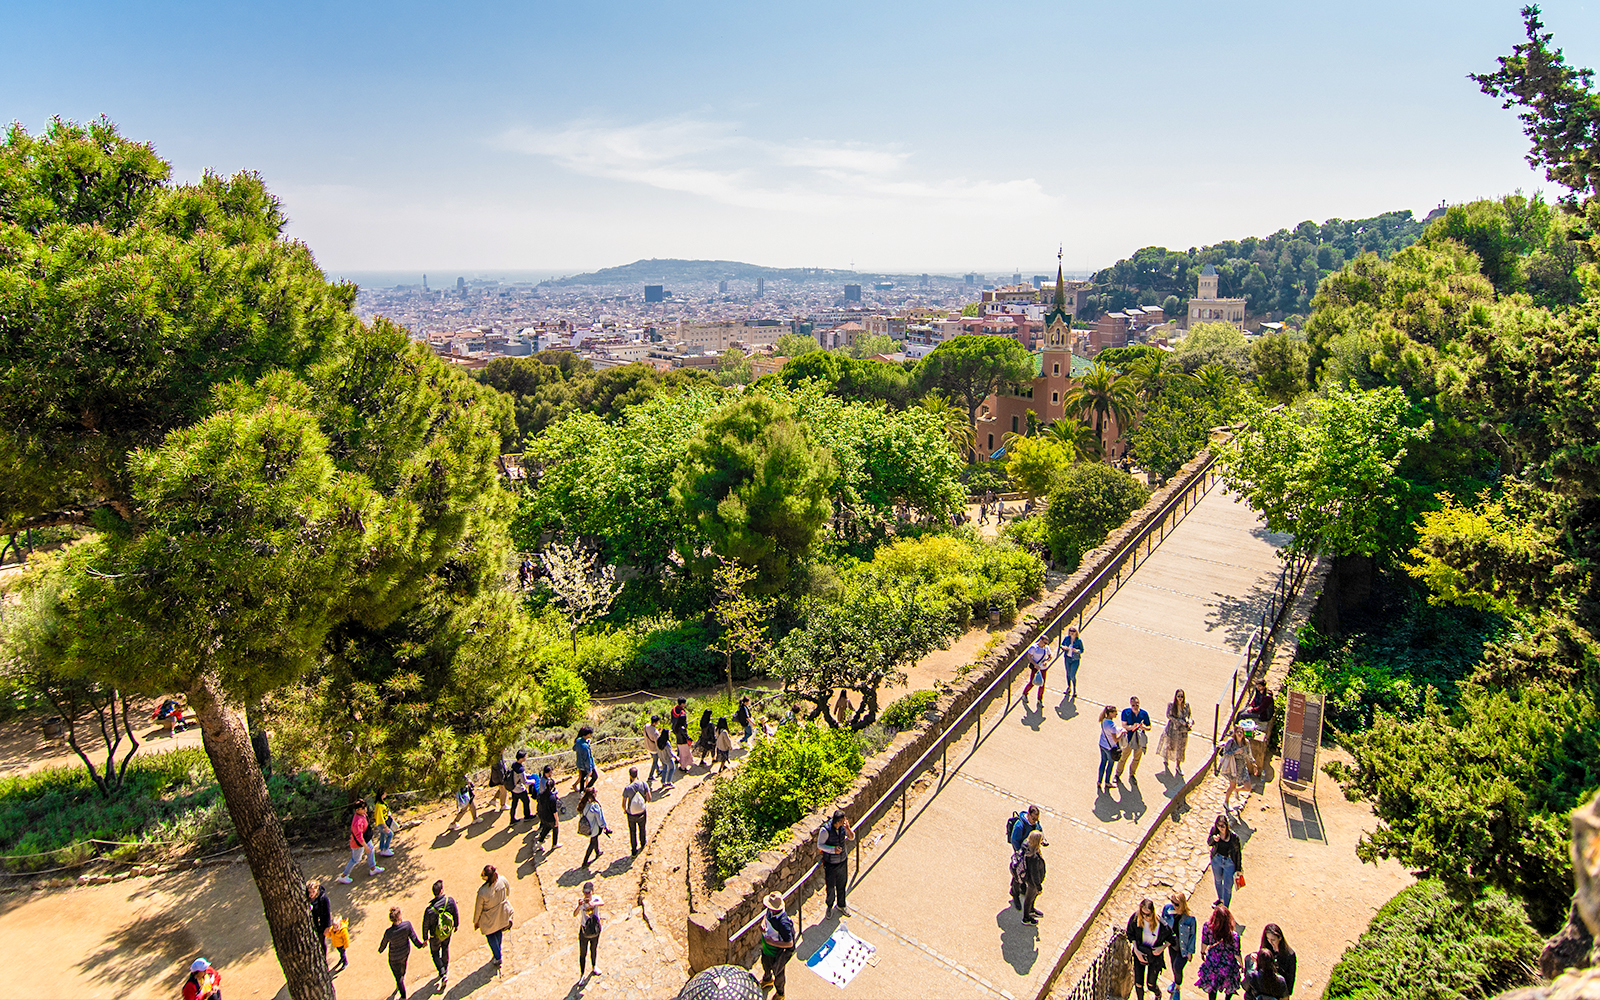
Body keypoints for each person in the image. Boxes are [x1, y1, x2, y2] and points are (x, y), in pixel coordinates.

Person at [1126, 898, 1175, 999]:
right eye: (1142, 913)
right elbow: (1130, 934)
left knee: (1151, 984)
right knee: (1138, 984)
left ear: (1153, 913)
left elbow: (1172, 938)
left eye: (1147, 914)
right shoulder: (1136, 919)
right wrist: (1136, 949)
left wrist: (1162, 948)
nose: (1145, 917)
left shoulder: (1161, 925)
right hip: (1140, 953)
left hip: (1154, 956)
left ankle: (1157, 994)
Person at [1195, 903, 1242, 1000]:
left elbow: (1205, 942)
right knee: (1230, 986)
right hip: (1228, 966)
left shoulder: (1207, 927)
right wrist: (1241, 964)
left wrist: (1202, 952)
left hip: (1213, 964)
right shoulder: (1233, 936)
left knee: (1212, 987)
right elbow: (1236, 953)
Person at [378, 905, 424, 1000]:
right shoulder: (407, 925)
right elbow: (414, 939)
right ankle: (401, 979)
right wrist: (421, 945)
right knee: (403, 968)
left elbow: (383, 945)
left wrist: (380, 950)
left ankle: (403, 996)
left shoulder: (389, 932)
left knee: (397, 977)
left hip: (394, 957)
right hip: (405, 953)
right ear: (399, 916)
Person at [473, 864, 514, 969]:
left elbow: (478, 908)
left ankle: (497, 956)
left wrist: (476, 921)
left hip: (489, 917)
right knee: (498, 930)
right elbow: (508, 890)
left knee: (491, 935)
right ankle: (498, 950)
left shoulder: (483, 892)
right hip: (501, 912)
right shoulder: (503, 880)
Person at [422, 879, 460, 990]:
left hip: (435, 936)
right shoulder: (450, 901)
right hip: (447, 932)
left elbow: (425, 925)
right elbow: (455, 913)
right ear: (442, 890)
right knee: (445, 948)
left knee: (434, 953)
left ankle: (442, 973)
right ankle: (445, 967)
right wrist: (456, 925)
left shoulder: (429, 910)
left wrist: (425, 938)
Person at [758, 891, 796, 1000]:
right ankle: (767, 979)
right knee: (765, 964)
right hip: (767, 948)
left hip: (777, 952)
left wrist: (772, 943)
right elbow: (766, 915)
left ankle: (780, 994)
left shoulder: (783, 923)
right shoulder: (771, 911)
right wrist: (763, 922)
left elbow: (789, 943)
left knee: (778, 973)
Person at [816, 809, 855, 915]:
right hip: (830, 863)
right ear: (838, 821)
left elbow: (851, 837)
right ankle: (829, 906)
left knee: (842, 884)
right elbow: (820, 845)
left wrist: (848, 829)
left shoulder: (843, 828)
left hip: (842, 861)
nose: (845, 822)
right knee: (830, 887)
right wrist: (833, 850)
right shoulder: (825, 830)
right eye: (843, 821)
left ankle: (841, 905)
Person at [1162, 892, 1199, 1000]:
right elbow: (1162, 924)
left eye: (1177, 904)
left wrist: (1190, 952)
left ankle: (1177, 988)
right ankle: (1175, 981)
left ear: (1182, 904)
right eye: (1172, 902)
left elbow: (1193, 936)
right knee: (1174, 966)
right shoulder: (1167, 910)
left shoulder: (1190, 919)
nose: (1174, 906)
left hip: (1184, 948)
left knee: (1178, 967)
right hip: (1172, 945)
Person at [337, 802, 383, 883]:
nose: (366, 809)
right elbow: (358, 837)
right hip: (358, 844)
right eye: (363, 808)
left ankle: (373, 868)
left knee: (371, 850)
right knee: (355, 859)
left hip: (366, 839)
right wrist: (365, 847)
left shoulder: (363, 815)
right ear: (358, 810)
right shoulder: (357, 822)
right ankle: (344, 876)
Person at [1207, 815, 1244, 908]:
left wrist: (1238, 868)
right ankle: (1221, 899)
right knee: (1218, 880)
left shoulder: (1233, 837)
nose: (1220, 828)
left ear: (1227, 825)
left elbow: (1238, 853)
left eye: (1222, 826)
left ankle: (1225, 908)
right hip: (1217, 859)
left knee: (1227, 886)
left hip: (1229, 862)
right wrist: (1213, 839)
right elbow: (1209, 843)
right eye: (1218, 826)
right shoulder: (1215, 831)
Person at [1157, 689, 1194, 774]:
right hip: (1173, 728)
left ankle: (1178, 766)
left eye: (1182, 696)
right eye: (1178, 696)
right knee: (1171, 745)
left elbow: (1190, 714)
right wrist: (1179, 721)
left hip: (1183, 730)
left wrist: (1190, 721)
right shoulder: (1171, 705)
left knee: (1181, 748)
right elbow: (1168, 715)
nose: (1180, 698)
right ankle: (1166, 757)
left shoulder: (1186, 705)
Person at [1014, 829, 1047, 924]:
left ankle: (1031, 910)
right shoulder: (1033, 858)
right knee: (1029, 898)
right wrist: (1039, 887)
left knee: (1032, 896)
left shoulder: (1027, 846)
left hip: (1030, 879)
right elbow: (1035, 874)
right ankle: (1026, 918)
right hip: (1032, 882)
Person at [574, 880, 604, 981]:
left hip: (594, 928)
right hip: (584, 930)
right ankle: (582, 974)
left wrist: (593, 904)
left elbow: (602, 902)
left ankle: (594, 966)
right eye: (585, 893)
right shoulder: (582, 902)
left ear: (592, 891)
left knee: (593, 949)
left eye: (588, 892)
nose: (586, 895)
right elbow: (574, 914)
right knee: (583, 952)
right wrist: (579, 906)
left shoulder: (596, 898)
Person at [1117, 696, 1152, 783]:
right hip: (1129, 739)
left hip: (1139, 740)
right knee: (1123, 757)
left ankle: (1132, 774)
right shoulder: (1126, 712)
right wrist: (1133, 727)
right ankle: (1117, 774)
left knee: (1136, 758)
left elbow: (1149, 727)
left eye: (1137, 704)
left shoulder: (1144, 714)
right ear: (1130, 705)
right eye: (1133, 705)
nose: (1135, 707)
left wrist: (1144, 728)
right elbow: (1124, 726)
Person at [578, 786, 611, 868]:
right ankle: (585, 862)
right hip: (593, 828)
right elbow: (600, 820)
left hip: (586, 826)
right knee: (592, 843)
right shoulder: (594, 806)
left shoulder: (583, 804)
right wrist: (604, 827)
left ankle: (597, 852)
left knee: (594, 839)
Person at [621, 766, 652, 856]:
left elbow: (623, 804)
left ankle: (634, 850)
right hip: (642, 811)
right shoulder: (644, 784)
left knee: (632, 831)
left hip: (631, 814)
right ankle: (643, 843)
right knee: (642, 828)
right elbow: (649, 798)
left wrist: (626, 810)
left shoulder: (627, 788)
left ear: (630, 775)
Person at [1258, 924, 1296, 996]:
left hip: (1279, 989)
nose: (1270, 942)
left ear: (1280, 938)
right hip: (1266, 987)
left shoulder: (1289, 955)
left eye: (1273, 940)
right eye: (1268, 939)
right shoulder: (1267, 947)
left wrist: (1287, 993)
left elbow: (1291, 977)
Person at [1220, 726, 1251, 813]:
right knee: (1232, 786)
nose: (1240, 734)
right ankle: (1226, 801)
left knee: (1248, 787)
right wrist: (1234, 752)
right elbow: (1225, 753)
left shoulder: (1246, 743)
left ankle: (1237, 790)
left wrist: (1253, 763)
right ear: (1235, 733)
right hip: (1233, 767)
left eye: (1241, 732)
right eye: (1238, 732)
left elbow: (1249, 754)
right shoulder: (1231, 742)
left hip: (1243, 767)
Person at [534, 764, 562, 850]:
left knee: (546, 828)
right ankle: (554, 844)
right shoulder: (552, 798)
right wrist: (557, 820)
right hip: (549, 816)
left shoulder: (542, 795)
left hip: (543, 814)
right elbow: (554, 811)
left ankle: (539, 842)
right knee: (555, 828)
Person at [1097, 705, 1121, 793]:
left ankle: (1099, 781)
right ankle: (1107, 782)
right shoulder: (1112, 725)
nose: (1116, 714)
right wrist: (1122, 733)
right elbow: (1116, 739)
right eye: (1115, 712)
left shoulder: (1103, 721)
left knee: (1103, 762)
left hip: (1102, 744)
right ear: (1110, 713)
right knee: (1110, 765)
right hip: (1110, 747)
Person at [1022, 637, 1050, 710]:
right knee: (1032, 682)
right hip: (1036, 668)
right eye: (1044, 642)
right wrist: (1035, 664)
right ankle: (1025, 694)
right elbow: (1029, 656)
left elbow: (1050, 656)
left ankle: (1040, 699)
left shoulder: (1046, 648)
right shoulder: (1034, 647)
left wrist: (1046, 661)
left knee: (1042, 684)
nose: (1045, 644)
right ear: (1040, 640)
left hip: (1043, 668)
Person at [1057, 626, 1084, 700]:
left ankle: (1074, 689)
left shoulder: (1078, 641)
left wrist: (1077, 651)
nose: (1071, 633)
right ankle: (1069, 687)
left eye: (1073, 632)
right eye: (1070, 632)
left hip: (1075, 659)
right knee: (1068, 673)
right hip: (1067, 658)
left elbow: (1082, 649)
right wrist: (1063, 647)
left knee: (1072, 675)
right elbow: (1061, 645)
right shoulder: (1067, 639)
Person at [308, 881, 332, 962]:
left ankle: (323, 959)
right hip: (313, 924)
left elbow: (327, 913)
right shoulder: (307, 899)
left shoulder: (323, 899)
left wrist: (328, 926)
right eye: (309, 892)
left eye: (313, 892)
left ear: (317, 890)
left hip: (321, 925)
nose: (311, 894)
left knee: (321, 942)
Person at [508, 750, 533, 825]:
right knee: (526, 801)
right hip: (520, 790)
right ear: (521, 758)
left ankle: (512, 819)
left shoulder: (514, 765)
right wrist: (532, 781)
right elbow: (524, 782)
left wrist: (525, 775)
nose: (526, 757)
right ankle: (527, 816)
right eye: (525, 756)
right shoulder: (520, 770)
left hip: (513, 788)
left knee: (514, 804)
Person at [371, 790, 395, 857]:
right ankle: (386, 849)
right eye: (384, 793)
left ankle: (382, 849)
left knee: (382, 835)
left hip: (384, 821)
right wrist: (385, 826)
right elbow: (380, 817)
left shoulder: (381, 803)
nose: (386, 794)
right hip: (382, 823)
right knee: (390, 835)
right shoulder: (378, 805)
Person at [574, 725, 597, 790]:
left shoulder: (578, 740)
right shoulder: (585, 747)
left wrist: (587, 743)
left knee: (582, 779)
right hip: (586, 766)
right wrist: (589, 770)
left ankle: (581, 791)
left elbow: (574, 748)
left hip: (580, 764)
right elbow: (588, 759)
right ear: (587, 734)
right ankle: (587, 789)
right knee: (595, 777)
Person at [643, 716, 663, 784]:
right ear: (655, 723)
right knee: (655, 762)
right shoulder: (655, 733)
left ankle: (658, 771)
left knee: (655, 759)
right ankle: (650, 776)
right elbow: (658, 742)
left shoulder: (646, 726)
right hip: (653, 749)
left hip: (647, 746)